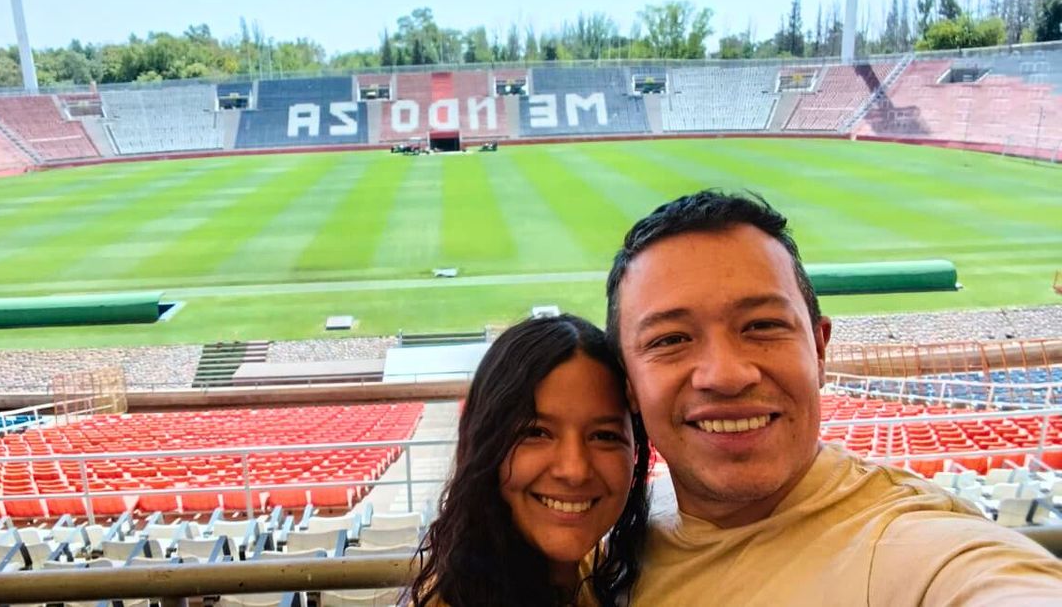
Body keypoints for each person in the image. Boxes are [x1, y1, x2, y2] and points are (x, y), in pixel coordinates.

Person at [605, 189, 1062, 605]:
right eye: (670, 340)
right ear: (628, 383)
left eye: (762, 326)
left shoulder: (912, 545)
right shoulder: (617, 533)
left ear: (820, 350)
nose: (725, 376)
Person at [409, 314, 652, 607]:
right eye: (536, 432)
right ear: (486, 445)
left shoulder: (592, 570)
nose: (574, 470)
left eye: (604, 436)